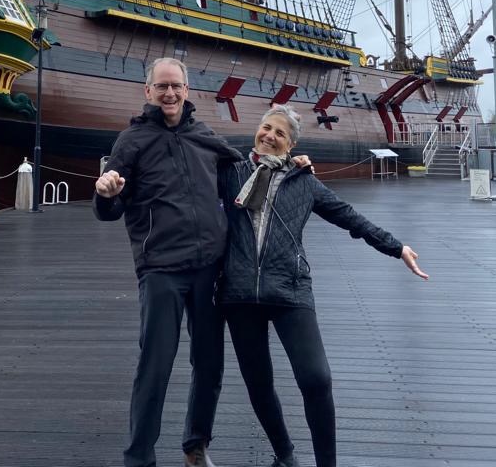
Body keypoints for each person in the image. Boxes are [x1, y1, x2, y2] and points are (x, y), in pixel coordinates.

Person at [218, 104, 429, 467]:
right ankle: (285, 454)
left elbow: (349, 217)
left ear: (291, 145)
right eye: (266, 127)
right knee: (258, 382)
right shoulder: (231, 171)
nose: (270, 136)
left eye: (280, 133)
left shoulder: (303, 182)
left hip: (290, 288)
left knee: (316, 379)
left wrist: (397, 248)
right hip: (240, 292)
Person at [94, 58, 242, 467]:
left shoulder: (203, 136)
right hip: (161, 268)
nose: (170, 93)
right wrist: (106, 194)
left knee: (209, 364)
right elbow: (110, 206)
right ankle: (139, 458)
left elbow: (244, 172)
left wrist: (292, 163)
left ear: (187, 90)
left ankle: (196, 446)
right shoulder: (132, 141)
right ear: (148, 91)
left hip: (209, 268)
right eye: (162, 86)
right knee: (155, 366)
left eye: (176, 86)